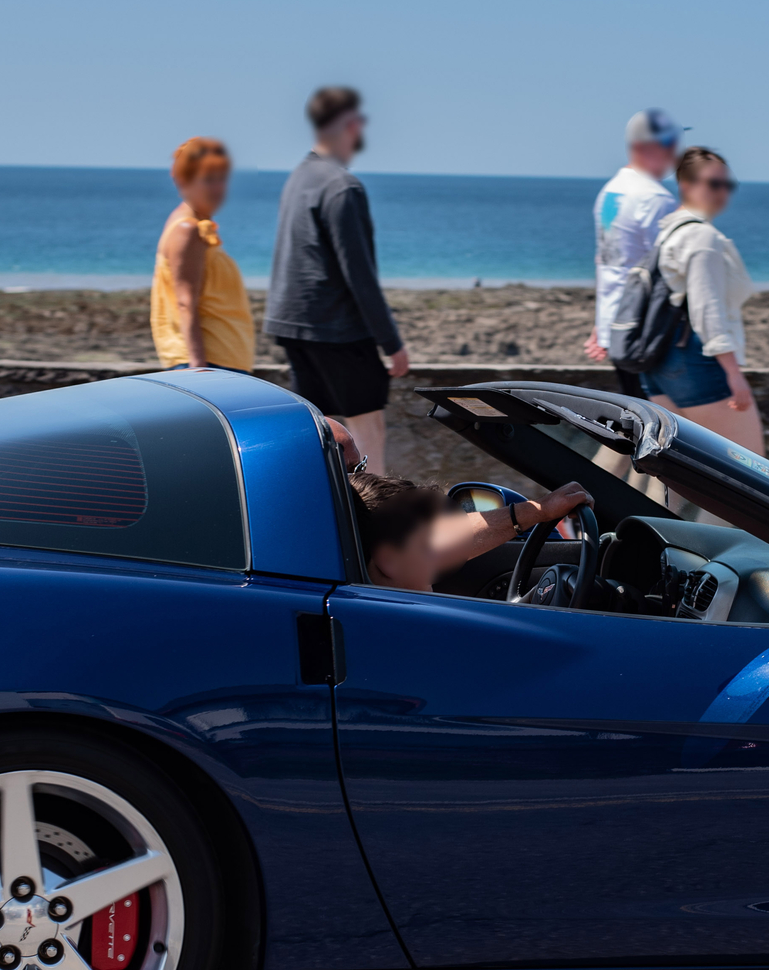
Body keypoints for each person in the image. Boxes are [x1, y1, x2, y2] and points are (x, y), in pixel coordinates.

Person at [265, 86, 408, 472]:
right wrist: (392, 343)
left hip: (294, 325)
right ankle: (377, 525)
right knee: (366, 434)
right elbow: (358, 273)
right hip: (338, 331)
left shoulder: (298, 177)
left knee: (320, 434)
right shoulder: (342, 187)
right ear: (350, 124)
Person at [650, 147, 765, 455]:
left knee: (681, 475)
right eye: (713, 184)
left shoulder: (668, 230)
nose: (722, 192)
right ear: (685, 185)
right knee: (753, 470)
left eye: (728, 185)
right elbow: (706, 308)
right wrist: (734, 374)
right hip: (696, 363)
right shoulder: (703, 237)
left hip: (659, 365)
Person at [351, 472, 591, 592]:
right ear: (389, 560)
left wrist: (541, 510)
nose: (442, 547)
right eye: (427, 544)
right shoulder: (409, 629)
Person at [585, 108, 685, 392]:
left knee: (637, 415)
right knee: (663, 423)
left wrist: (601, 321)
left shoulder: (610, 191)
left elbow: (606, 261)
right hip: (648, 327)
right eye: (669, 144)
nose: (675, 153)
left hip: (617, 323)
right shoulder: (654, 198)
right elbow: (668, 269)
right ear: (644, 147)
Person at [149, 137, 255, 371]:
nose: (218, 189)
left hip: (220, 361)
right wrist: (198, 369)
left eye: (221, 179)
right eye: (208, 180)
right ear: (184, 181)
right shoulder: (187, 230)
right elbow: (185, 302)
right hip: (208, 364)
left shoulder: (195, 226)